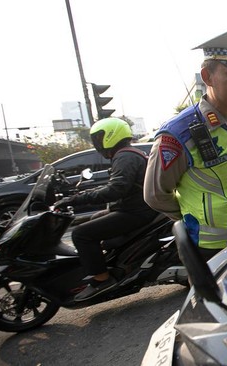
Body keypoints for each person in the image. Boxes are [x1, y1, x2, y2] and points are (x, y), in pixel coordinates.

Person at [143, 28, 227, 363]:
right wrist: (190, 218)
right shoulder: (180, 133)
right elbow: (155, 194)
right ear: (207, 76)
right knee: (219, 339)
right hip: (212, 255)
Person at [54, 117, 158, 301]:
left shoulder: (125, 157)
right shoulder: (127, 154)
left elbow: (115, 190)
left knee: (80, 234)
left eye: (99, 138)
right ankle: (111, 261)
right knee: (96, 217)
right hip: (136, 207)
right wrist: (80, 195)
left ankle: (102, 279)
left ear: (110, 135)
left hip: (135, 212)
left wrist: (78, 199)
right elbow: (116, 185)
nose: (97, 143)